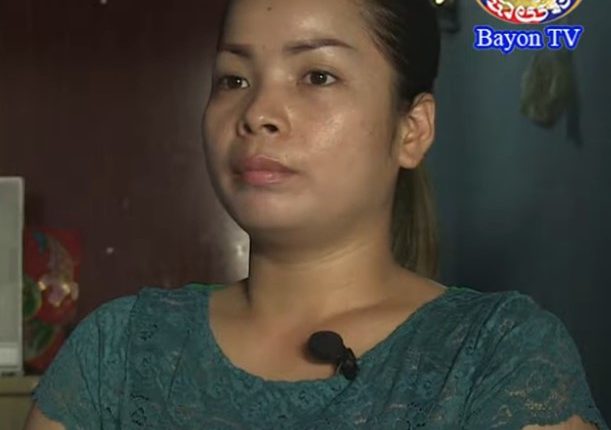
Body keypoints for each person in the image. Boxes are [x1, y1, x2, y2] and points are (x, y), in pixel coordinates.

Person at [24, 0, 608, 429]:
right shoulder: (117, 351)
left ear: (412, 130)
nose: (258, 112)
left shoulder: (500, 356)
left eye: (317, 76)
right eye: (233, 78)